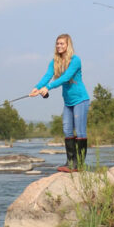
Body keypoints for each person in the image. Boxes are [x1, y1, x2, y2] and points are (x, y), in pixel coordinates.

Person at [29, 34, 91, 173]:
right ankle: (70, 162)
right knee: (67, 130)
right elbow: (47, 76)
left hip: (81, 100)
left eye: (62, 43)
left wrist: (48, 88)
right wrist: (37, 88)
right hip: (68, 102)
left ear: (68, 45)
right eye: (57, 44)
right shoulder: (54, 61)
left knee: (80, 132)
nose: (59, 46)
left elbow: (66, 77)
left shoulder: (75, 60)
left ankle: (79, 165)